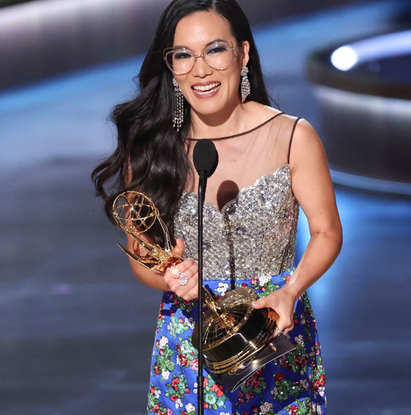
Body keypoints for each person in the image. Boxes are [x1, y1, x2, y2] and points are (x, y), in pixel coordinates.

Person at [92, 0, 342, 413]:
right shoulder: (152, 148)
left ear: (242, 54)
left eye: (215, 49)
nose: (200, 70)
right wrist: (171, 277)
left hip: (273, 328)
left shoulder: (293, 136)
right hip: (190, 341)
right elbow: (141, 259)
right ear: (170, 66)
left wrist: (291, 289)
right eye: (184, 55)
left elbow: (327, 232)